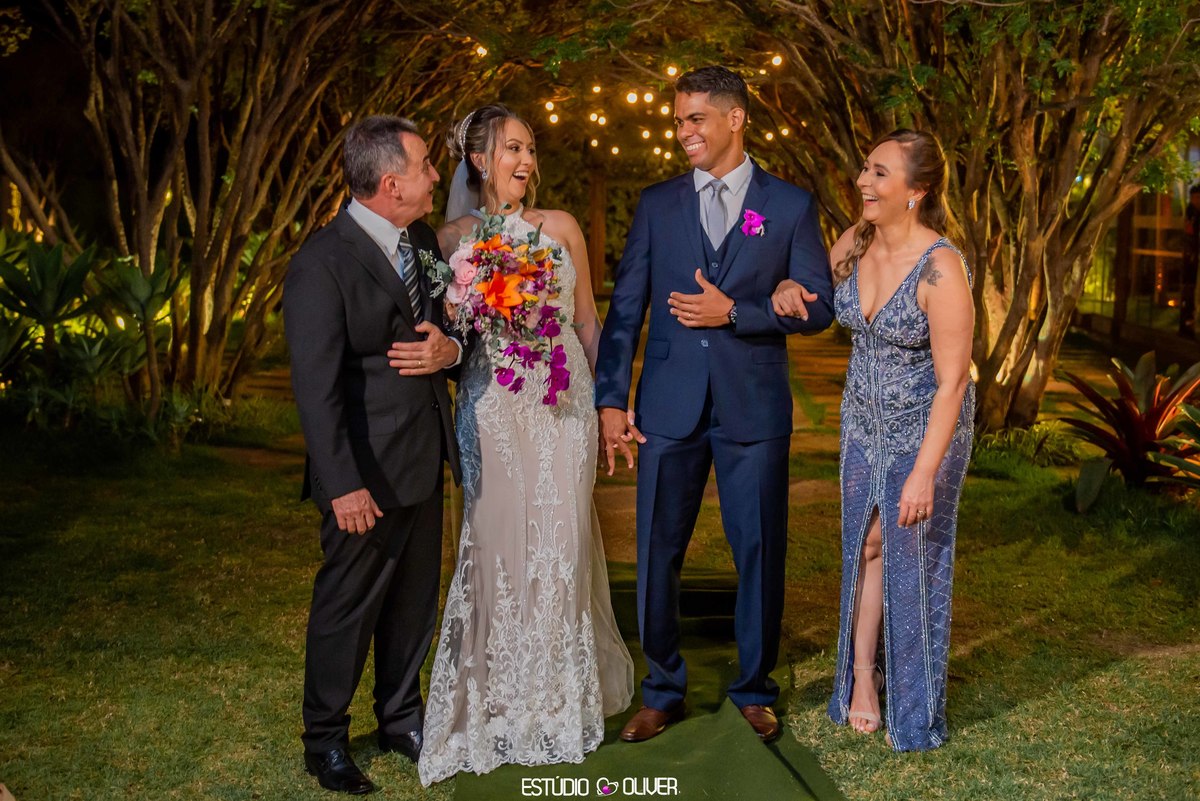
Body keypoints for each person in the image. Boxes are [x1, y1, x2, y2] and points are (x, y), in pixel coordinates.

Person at [595, 66, 834, 745]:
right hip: (668, 405)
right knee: (657, 550)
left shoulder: (789, 206)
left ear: (736, 118)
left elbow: (819, 306)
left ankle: (754, 689)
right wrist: (611, 399)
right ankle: (662, 688)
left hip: (752, 408)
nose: (683, 132)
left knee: (758, 548)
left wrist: (740, 312)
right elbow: (626, 311)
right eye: (678, 121)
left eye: (695, 118)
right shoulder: (658, 204)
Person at [415, 104, 634, 785]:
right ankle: (500, 698)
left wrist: (611, 405)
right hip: (493, 406)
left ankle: (557, 700)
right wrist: (464, 308)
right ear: (480, 159)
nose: (527, 160)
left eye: (532, 148)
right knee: (497, 547)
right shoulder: (447, 238)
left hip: (562, 405)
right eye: (514, 147)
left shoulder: (561, 227)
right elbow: (447, 332)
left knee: (561, 543)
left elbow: (589, 322)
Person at [776, 129, 974, 751]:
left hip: (926, 428)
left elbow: (953, 383)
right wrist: (787, 288)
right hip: (861, 423)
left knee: (907, 556)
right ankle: (862, 677)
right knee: (863, 548)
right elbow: (810, 291)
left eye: (880, 172)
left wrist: (924, 473)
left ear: (917, 190)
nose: (863, 180)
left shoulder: (941, 267)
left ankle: (914, 705)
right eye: (865, 168)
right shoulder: (854, 241)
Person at [283, 115, 464, 795]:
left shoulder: (421, 240)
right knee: (347, 608)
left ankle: (401, 719)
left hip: (422, 456)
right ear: (391, 184)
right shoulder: (321, 263)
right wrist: (342, 485)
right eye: (425, 166)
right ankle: (325, 740)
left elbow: (447, 321)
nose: (435, 176)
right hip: (363, 475)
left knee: (414, 601)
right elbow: (316, 390)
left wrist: (449, 349)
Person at [1181, 185, 1199, 336]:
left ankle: (1189, 321)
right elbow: (1189, 233)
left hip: (1192, 254)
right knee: (1189, 287)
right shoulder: (1191, 212)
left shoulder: (1193, 212)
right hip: (1191, 255)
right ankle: (1188, 321)